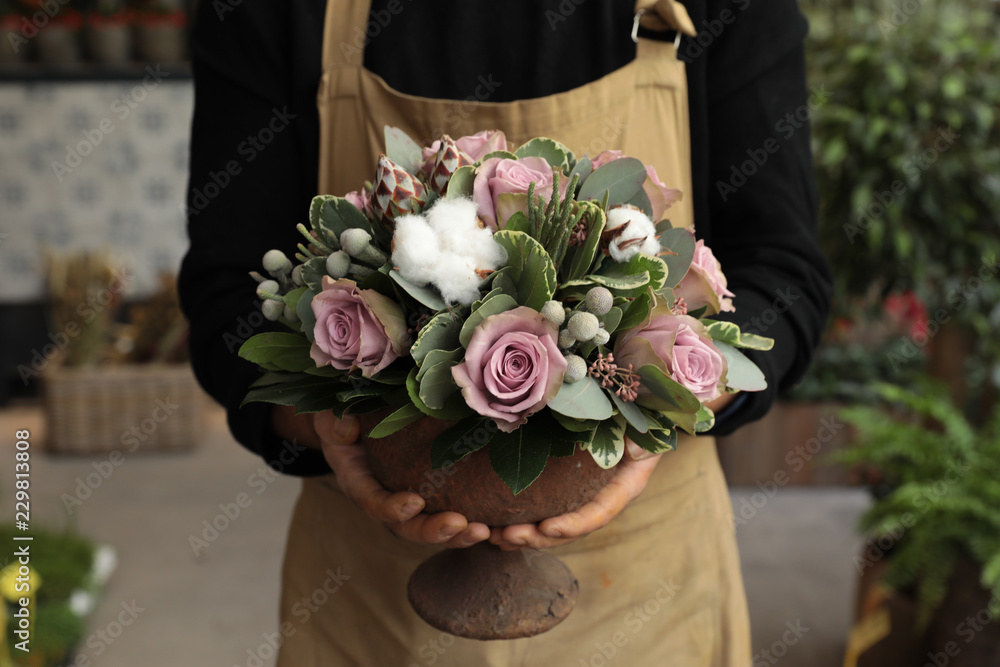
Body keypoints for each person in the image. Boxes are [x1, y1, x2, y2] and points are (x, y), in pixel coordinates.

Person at [179, 1, 832, 664]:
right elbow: (226, 302)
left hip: (647, 595)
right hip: (372, 598)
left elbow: (783, 275)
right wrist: (322, 427)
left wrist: (665, 390)